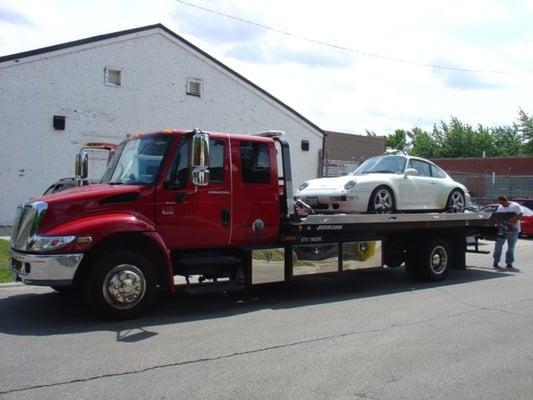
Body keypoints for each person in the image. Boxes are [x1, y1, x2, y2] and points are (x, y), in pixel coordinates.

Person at [493, 196, 523, 269]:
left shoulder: (515, 206)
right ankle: (496, 261)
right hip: (502, 229)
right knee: (498, 246)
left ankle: (509, 263)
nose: (502, 205)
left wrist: (511, 221)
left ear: (506, 201)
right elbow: (498, 217)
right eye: (500, 203)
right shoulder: (500, 207)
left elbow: (521, 214)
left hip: (513, 230)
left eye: (503, 203)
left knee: (511, 247)